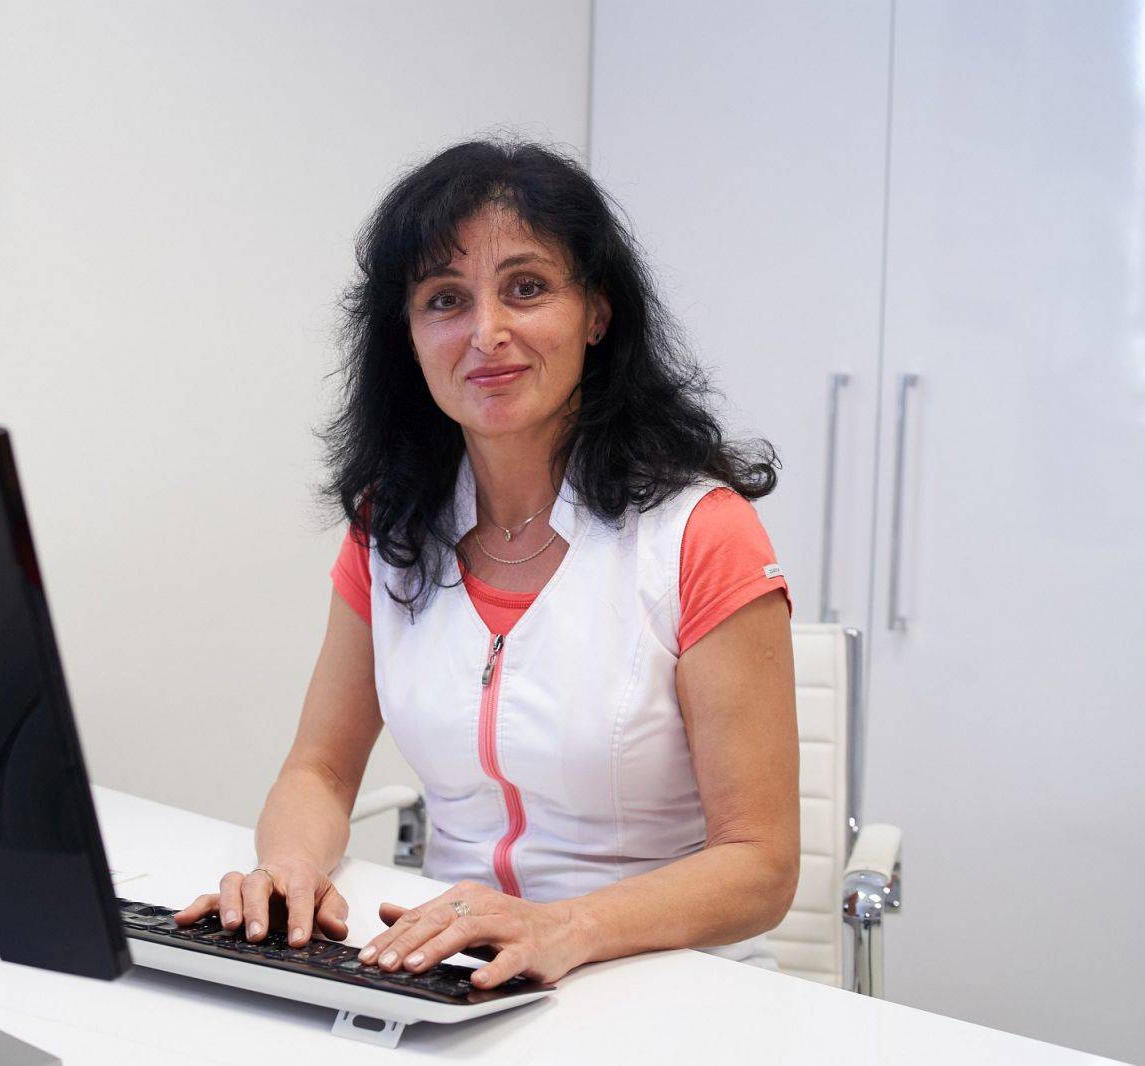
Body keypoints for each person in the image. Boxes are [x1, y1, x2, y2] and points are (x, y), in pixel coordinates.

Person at [176, 139, 798, 989]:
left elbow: (760, 864)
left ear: (597, 312)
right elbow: (320, 768)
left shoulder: (700, 533)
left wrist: (562, 927)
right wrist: (288, 870)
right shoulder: (391, 527)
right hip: (457, 977)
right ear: (408, 336)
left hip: (671, 983)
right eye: (445, 299)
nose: (487, 333)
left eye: (527, 288)